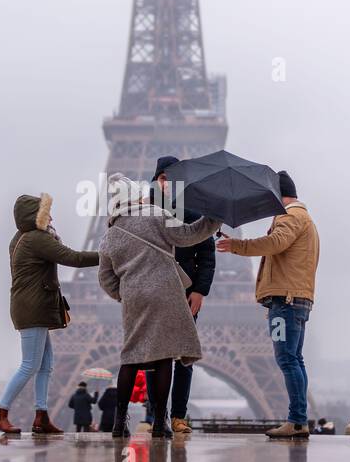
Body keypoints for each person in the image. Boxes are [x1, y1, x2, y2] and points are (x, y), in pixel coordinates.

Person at [98, 176, 220, 439]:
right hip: (166, 292)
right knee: (164, 356)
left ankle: (119, 422)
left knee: (131, 357)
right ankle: (160, 423)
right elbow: (188, 235)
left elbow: (105, 278)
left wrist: (124, 294)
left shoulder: (111, 232)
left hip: (134, 298)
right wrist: (213, 218)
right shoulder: (157, 215)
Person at [216, 171, 319, 440]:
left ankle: (296, 421)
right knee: (294, 359)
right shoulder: (305, 218)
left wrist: (236, 245)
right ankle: (298, 419)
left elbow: (276, 243)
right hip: (296, 299)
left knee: (286, 359)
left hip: (283, 302)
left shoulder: (290, 216)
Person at [0, 192, 99, 435]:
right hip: (33, 308)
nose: (51, 216)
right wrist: (108, 256)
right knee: (30, 365)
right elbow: (74, 258)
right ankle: (0, 413)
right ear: (36, 216)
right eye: (47, 212)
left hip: (30, 306)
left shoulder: (20, 238)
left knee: (46, 365)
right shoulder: (36, 239)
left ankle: (41, 416)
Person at [143, 155, 217, 436]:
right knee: (152, 357)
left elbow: (207, 254)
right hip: (153, 292)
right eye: (163, 178)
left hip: (185, 293)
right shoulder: (142, 210)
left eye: (172, 179)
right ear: (156, 180)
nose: (167, 184)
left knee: (184, 358)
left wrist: (200, 290)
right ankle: (156, 415)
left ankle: (178, 416)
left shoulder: (192, 210)